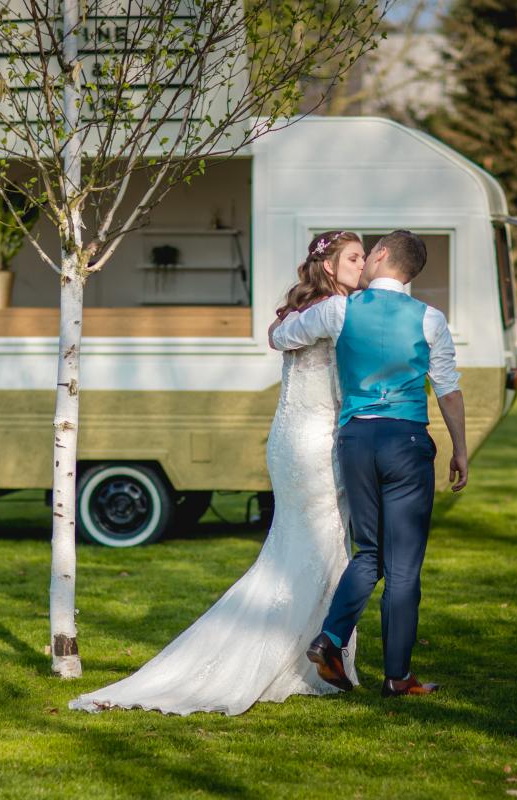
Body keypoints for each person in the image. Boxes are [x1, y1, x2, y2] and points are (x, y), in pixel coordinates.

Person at [68, 230, 366, 715]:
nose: (362, 263)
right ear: (329, 265)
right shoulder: (332, 312)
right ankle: (307, 659)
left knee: (319, 548)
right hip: (313, 443)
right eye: (354, 257)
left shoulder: (319, 312)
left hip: (298, 439)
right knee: (318, 547)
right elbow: (289, 337)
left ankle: (318, 662)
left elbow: (284, 335)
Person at [272, 229, 468, 699]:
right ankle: (397, 677)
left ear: (380, 255)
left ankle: (330, 639)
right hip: (406, 442)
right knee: (403, 569)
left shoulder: (339, 309)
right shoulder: (430, 319)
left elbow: (282, 336)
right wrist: (460, 448)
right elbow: (447, 388)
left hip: (356, 440)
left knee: (369, 553)